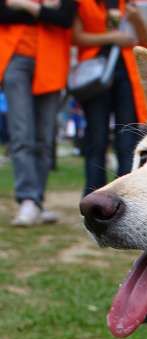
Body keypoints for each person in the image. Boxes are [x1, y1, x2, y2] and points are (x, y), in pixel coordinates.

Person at [0, 0, 76, 226]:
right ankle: (27, 199)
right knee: (22, 133)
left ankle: (37, 201)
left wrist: (24, 6)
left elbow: (65, 19)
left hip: (52, 61)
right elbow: (3, 14)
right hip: (14, 59)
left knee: (44, 137)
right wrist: (45, 11)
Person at [73, 0, 147, 195]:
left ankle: (126, 195)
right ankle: (93, 195)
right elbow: (75, 37)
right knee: (96, 138)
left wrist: (137, 21)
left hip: (129, 76)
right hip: (95, 75)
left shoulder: (139, 5)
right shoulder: (84, 3)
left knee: (128, 139)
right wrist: (112, 38)